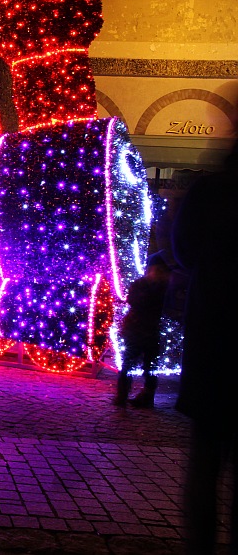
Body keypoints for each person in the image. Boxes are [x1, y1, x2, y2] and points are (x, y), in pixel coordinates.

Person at [172, 138, 238, 555]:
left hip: (215, 342)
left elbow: (183, 252)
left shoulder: (212, 191)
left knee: (205, 461)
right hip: (217, 342)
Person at [112, 252, 170, 407]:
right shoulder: (142, 285)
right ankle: (122, 395)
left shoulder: (162, 287)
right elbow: (134, 301)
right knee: (129, 363)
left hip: (150, 330)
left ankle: (146, 396)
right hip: (136, 330)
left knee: (150, 365)